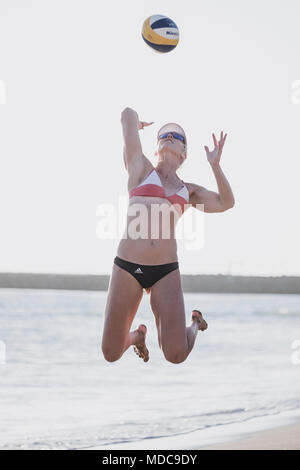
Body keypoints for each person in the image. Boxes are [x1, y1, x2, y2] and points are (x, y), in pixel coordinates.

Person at [101, 107, 235, 364]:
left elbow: (226, 202)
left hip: (165, 272)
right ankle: (137, 337)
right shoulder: (140, 168)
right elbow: (127, 113)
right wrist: (137, 125)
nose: (170, 136)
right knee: (111, 352)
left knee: (176, 354)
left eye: (178, 136)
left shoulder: (189, 191)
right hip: (127, 267)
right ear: (157, 147)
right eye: (165, 134)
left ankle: (195, 323)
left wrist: (215, 166)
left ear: (184, 153)